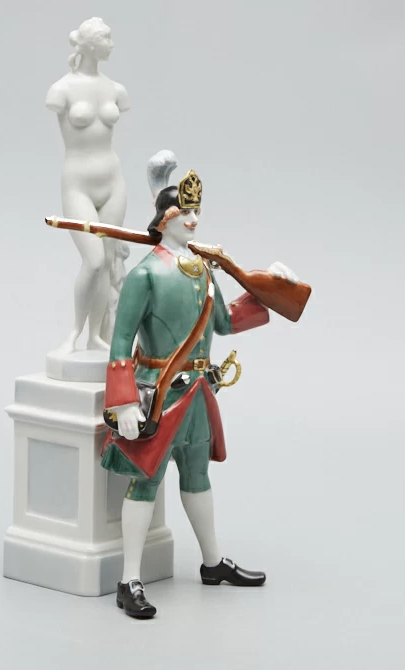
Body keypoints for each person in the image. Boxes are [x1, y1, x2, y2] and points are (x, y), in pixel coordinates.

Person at [101, 151, 300, 618]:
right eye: (183, 213)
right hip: (159, 397)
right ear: (164, 218)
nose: (192, 221)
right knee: (144, 485)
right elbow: (121, 342)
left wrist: (272, 288)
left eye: (196, 212)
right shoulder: (144, 274)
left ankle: (212, 563)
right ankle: (129, 580)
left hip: (196, 397)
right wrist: (124, 402)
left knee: (198, 479)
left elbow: (225, 322)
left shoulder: (204, 270)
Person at [46, 17, 130, 354]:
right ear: (91, 44)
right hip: (78, 183)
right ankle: (74, 333)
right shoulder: (61, 90)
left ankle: (96, 335)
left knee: (107, 262)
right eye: (107, 38)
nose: (112, 44)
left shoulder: (116, 89)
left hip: (113, 180)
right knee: (93, 260)